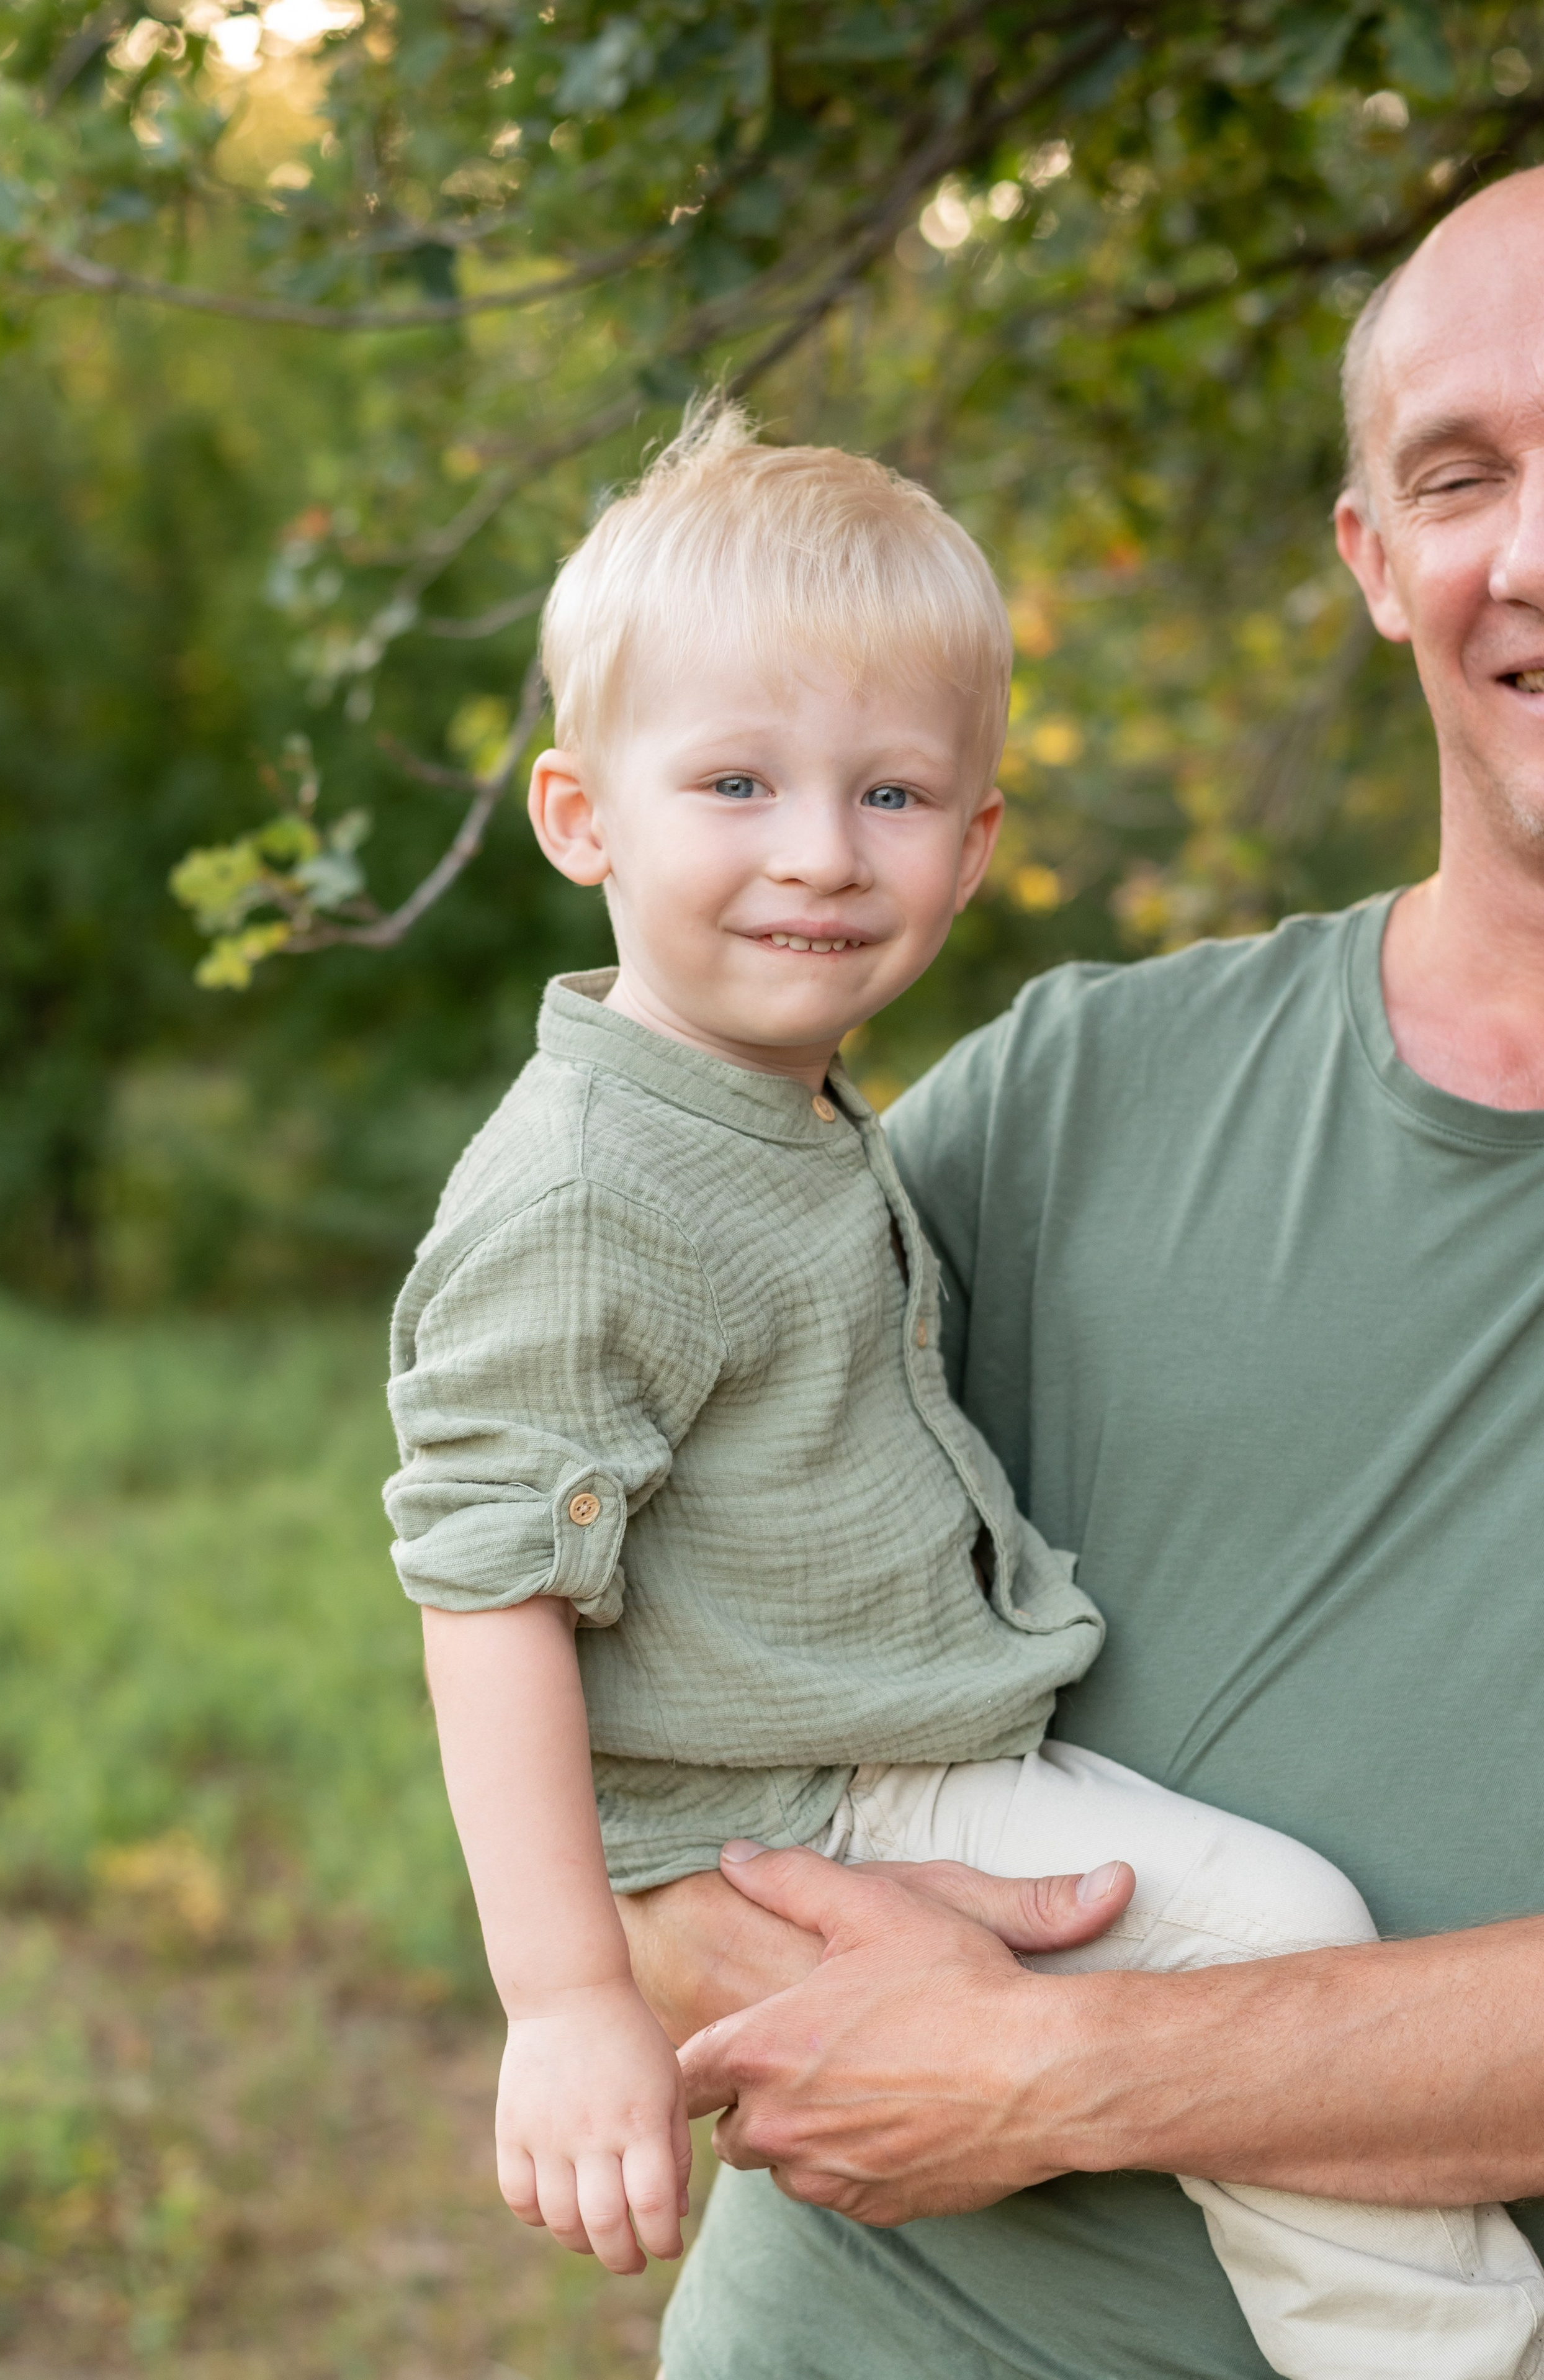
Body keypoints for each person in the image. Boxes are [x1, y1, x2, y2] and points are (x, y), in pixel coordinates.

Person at [384, 397, 1543, 2378]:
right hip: (832, 1804)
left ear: (978, 836)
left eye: (893, 797)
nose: (820, 855)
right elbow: (491, 1579)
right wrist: (579, 1985)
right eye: (736, 782)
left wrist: (1059, 2061)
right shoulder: (610, 1179)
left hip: (882, 1768)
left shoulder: (786, 1121)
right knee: (1273, 1919)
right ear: (581, 816)